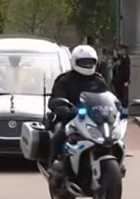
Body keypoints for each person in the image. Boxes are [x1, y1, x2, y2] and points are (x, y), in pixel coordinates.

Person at [46, 45, 110, 182]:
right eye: (84, 62)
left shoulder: (98, 80)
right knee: (59, 133)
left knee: (111, 134)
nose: (88, 65)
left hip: (94, 119)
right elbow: (55, 98)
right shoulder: (64, 80)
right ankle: (54, 164)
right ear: (74, 61)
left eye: (90, 62)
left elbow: (107, 97)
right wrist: (61, 107)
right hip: (71, 117)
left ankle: (115, 161)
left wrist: (115, 107)